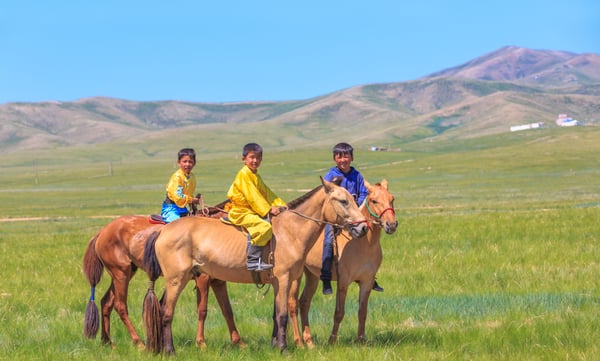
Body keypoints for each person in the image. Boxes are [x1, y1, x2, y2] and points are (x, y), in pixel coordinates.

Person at [321, 142, 384, 295]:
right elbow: (327, 195)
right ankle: (326, 277)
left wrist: (355, 208)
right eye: (339, 156)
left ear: (352, 157)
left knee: (369, 240)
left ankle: (370, 276)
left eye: (346, 156)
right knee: (328, 240)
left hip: (354, 216)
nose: (343, 159)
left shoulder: (357, 176)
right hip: (337, 217)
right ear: (335, 158)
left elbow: (363, 193)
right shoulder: (331, 176)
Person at [227, 143, 287, 271]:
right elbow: (253, 196)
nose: (255, 161)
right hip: (241, 211)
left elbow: (266, 193)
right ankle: (253, 260)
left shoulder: (255, 175)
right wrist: (269, 209)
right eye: (252, 157)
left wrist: (281, 204)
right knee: (264, 227)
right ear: (244, 159)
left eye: (258, 158)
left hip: (250, 210)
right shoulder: (244, 174)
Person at [160, 148, 201, 223]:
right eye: (184, 161)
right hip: (171, 209)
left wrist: (193, 201)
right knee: (178, 226)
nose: (187, 164)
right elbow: (178, 197)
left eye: (190, 162)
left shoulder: (191, 177)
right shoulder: (177, 177)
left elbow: (188, 194)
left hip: (182, 208)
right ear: (179, 163)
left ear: (194, 163)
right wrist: (192, 200)